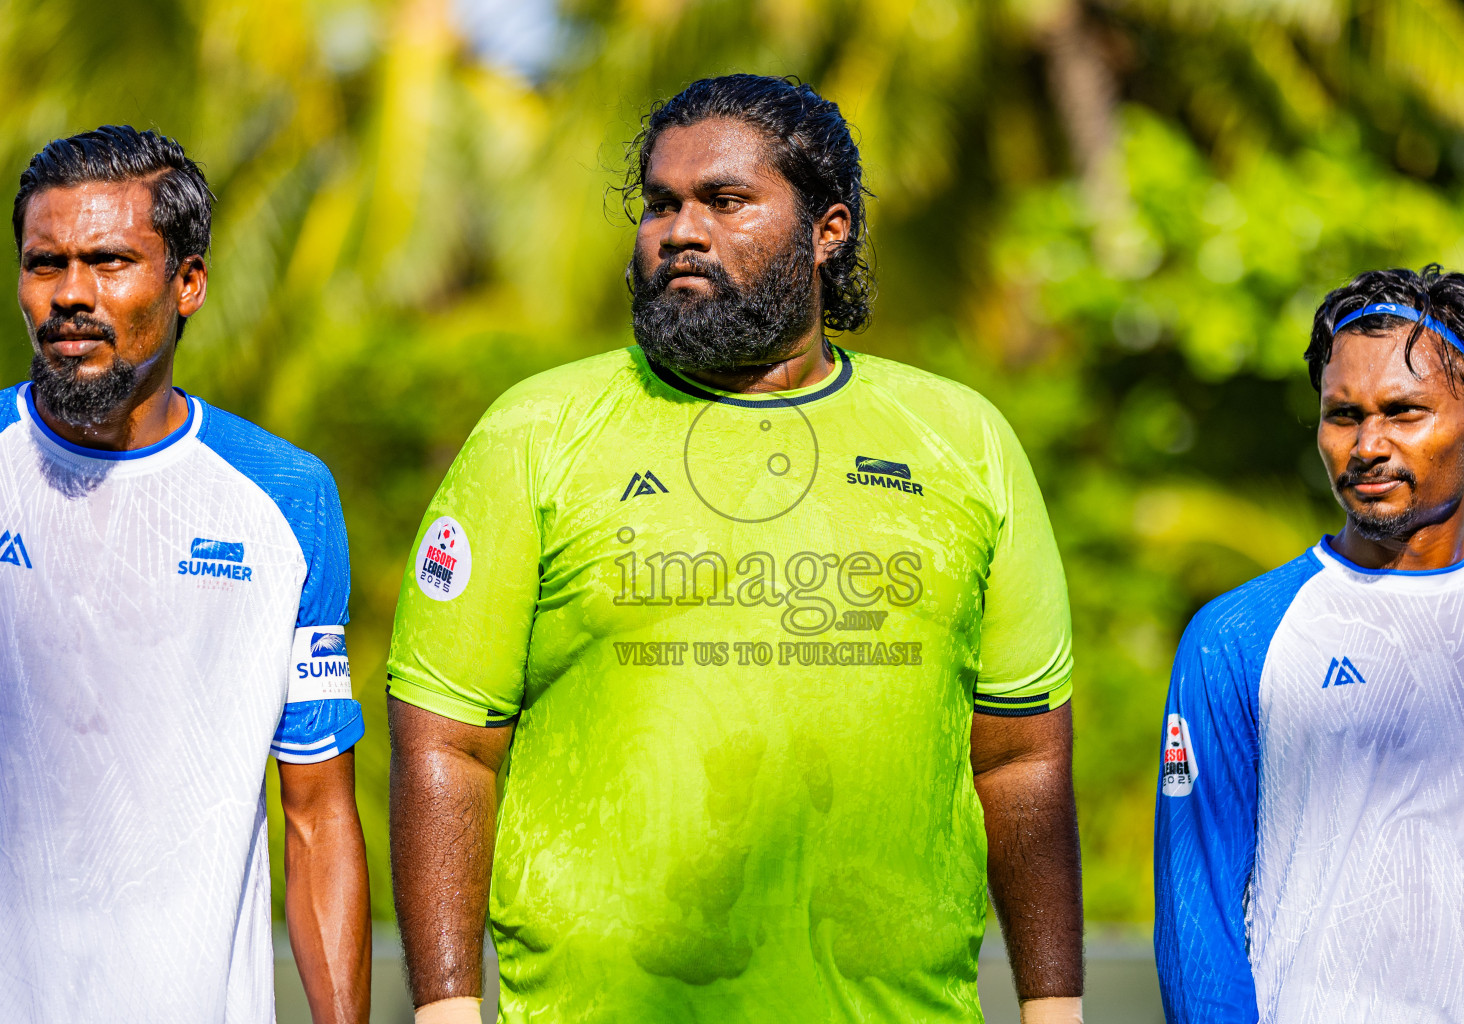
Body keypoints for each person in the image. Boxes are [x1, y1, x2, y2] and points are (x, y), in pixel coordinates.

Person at [387, 75, 1083, 1024]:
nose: (680, 229)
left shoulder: (962, 441)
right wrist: (444, 1008)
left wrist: (1054, 1008)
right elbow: (446, 740)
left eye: (723, 201)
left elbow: (1021, 760)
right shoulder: (535, 432)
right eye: (660, 204)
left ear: (827, 229)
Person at [0, 126, 370, 1023]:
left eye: (110, 261)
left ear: (189, 283)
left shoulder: (288, 500)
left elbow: (318, 817)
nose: (72, 296)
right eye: (46, 264)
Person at [1154, 265, 1464, 1022]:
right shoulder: (1235, 639)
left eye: (1403, 411)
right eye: (1343, 415)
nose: (1368, 445)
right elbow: (1198, 918)